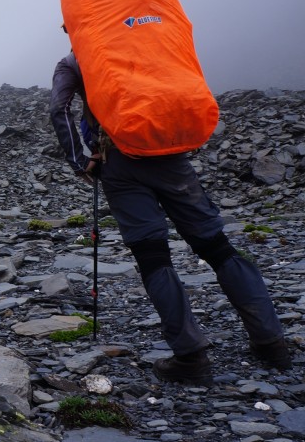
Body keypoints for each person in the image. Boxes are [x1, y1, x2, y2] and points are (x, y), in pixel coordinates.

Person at [49, 41, 291, 386]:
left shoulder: (73, 61)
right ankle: (272, 343)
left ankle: (191, 356)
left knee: (153, 256)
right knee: (217, 246)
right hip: (169, 154)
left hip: (118, 161)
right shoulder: (151, 40)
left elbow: (59, 110)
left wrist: (80, 159)